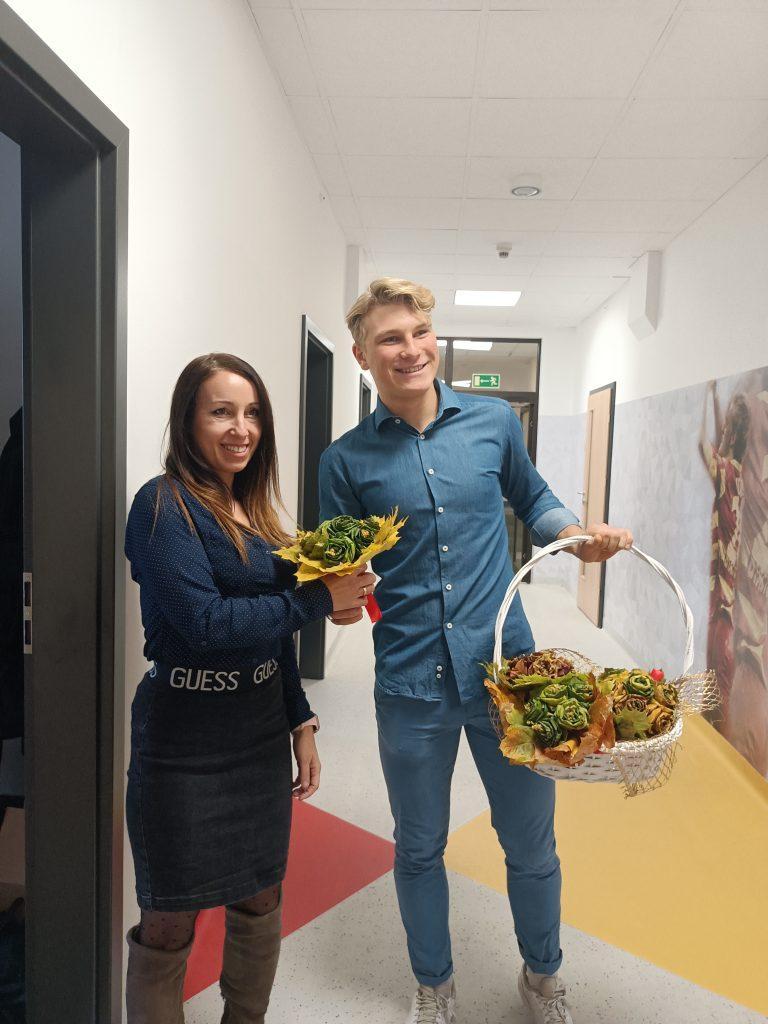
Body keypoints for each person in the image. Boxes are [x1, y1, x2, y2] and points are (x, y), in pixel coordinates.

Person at [319, 279, 633, 1024]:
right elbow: (338, 573)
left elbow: (536, 500)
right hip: (410, 682)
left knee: (532, 845)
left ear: (434, 338)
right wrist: (340, 595)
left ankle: (543, 978)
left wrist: (577, 537)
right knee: (419, 847)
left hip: (510, 677)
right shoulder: (345, 461)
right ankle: (435, 986)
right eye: (390, 339)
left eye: (420, 332)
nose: (410, 349)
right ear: (362, 355)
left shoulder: (492, 422)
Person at [124, 353, 373, 1024]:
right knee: (169, 919)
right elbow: (205, 624)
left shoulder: (255, 509)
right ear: (188, 421)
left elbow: (270, 635)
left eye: (253, 413)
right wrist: (316, 599)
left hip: (258, 731)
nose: (242, 429)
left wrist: (300, 721)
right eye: (221, 412)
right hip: (183, 742)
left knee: (261, 896)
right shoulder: (162, 506)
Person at [699, 379, 750, 722]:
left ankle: (718, 727)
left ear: (732, 435)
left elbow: (703, 444)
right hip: (735, 588)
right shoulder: (743, 475)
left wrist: (706, 398)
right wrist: (717, 400)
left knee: (719, 673)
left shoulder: (726, 472)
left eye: (728, 427)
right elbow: (720, 442)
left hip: (723, 594)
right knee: (722, 674)